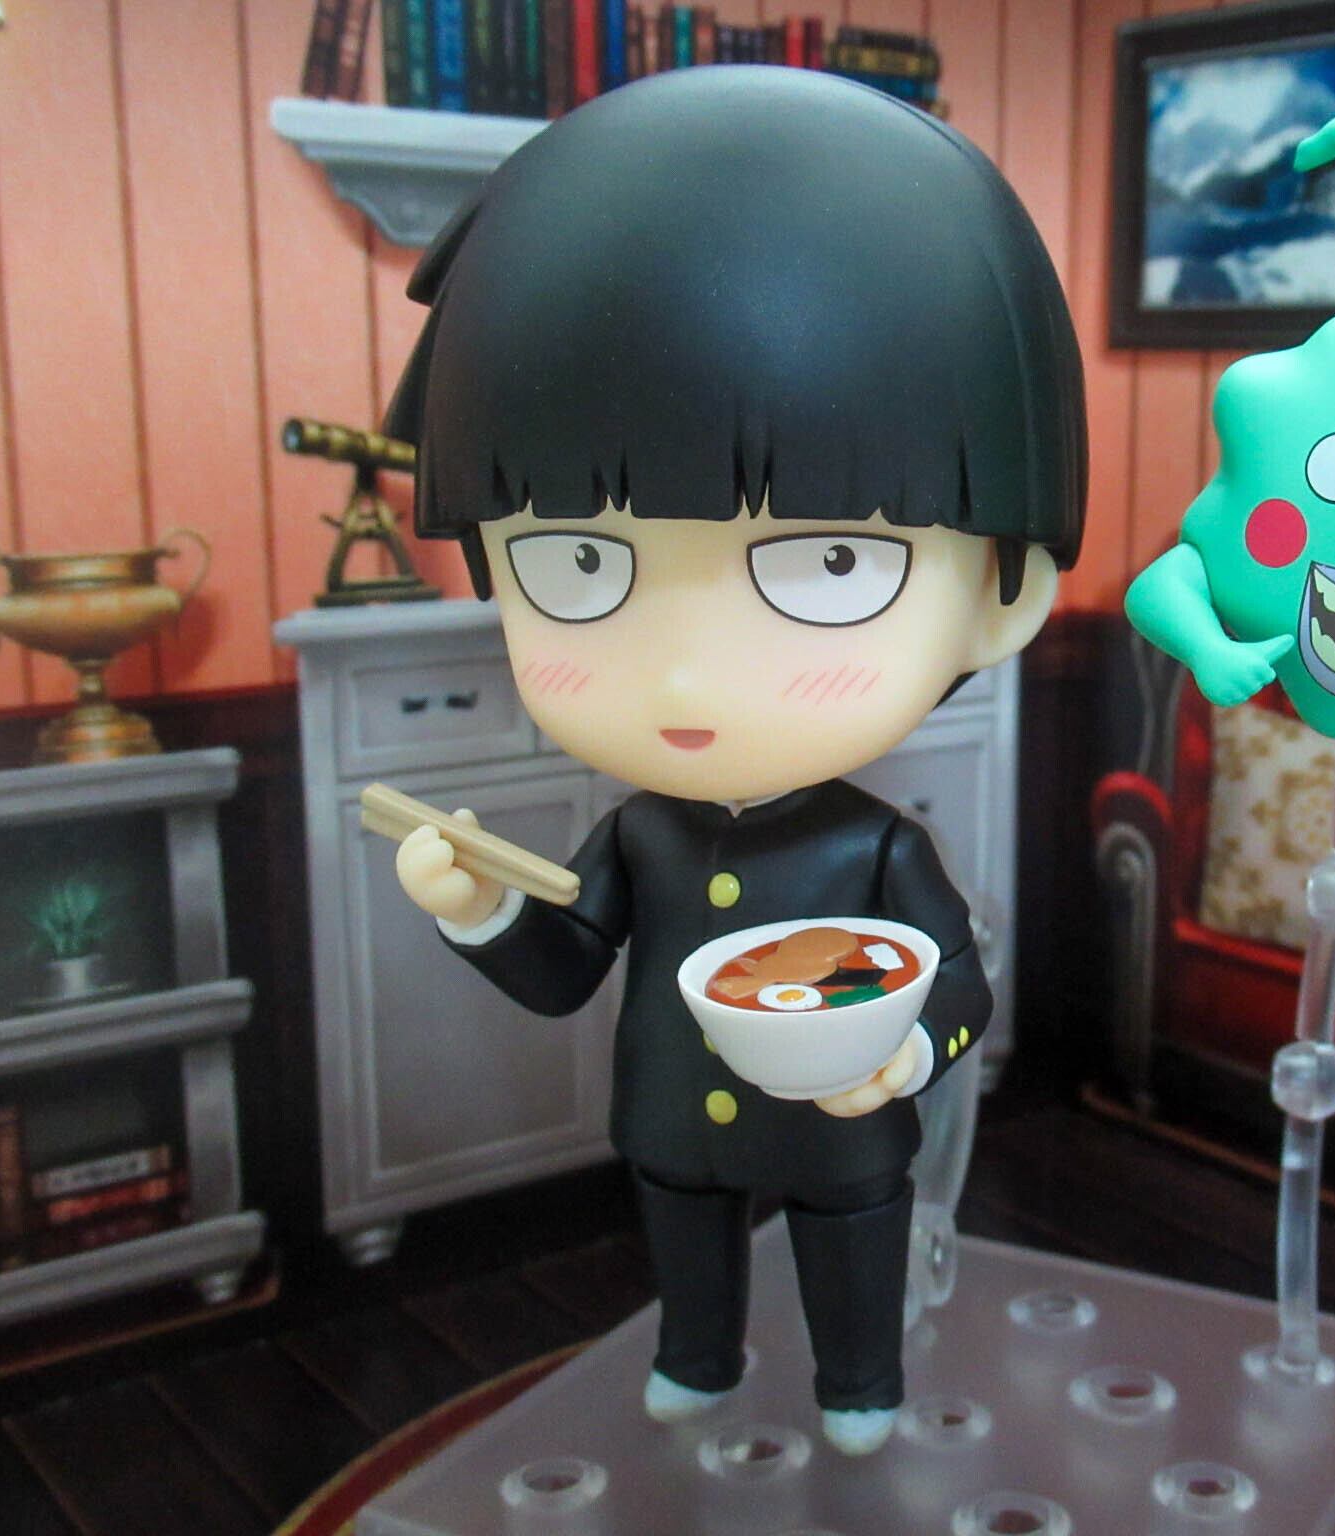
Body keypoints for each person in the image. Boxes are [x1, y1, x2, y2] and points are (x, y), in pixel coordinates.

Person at [380, 65, 1085, 1456]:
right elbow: (567, 966)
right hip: (673, 1131)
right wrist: (477, 907)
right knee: (687, 1267)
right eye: (578, 563)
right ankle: (698, 1355)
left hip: (840, 1135)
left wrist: (906, 1060)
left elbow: (959, 982)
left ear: (1003, 591)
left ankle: (860, 1379)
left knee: (850, 1255)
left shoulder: (877, 848)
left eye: (829, 564)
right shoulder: (639, 835)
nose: (688, 675)